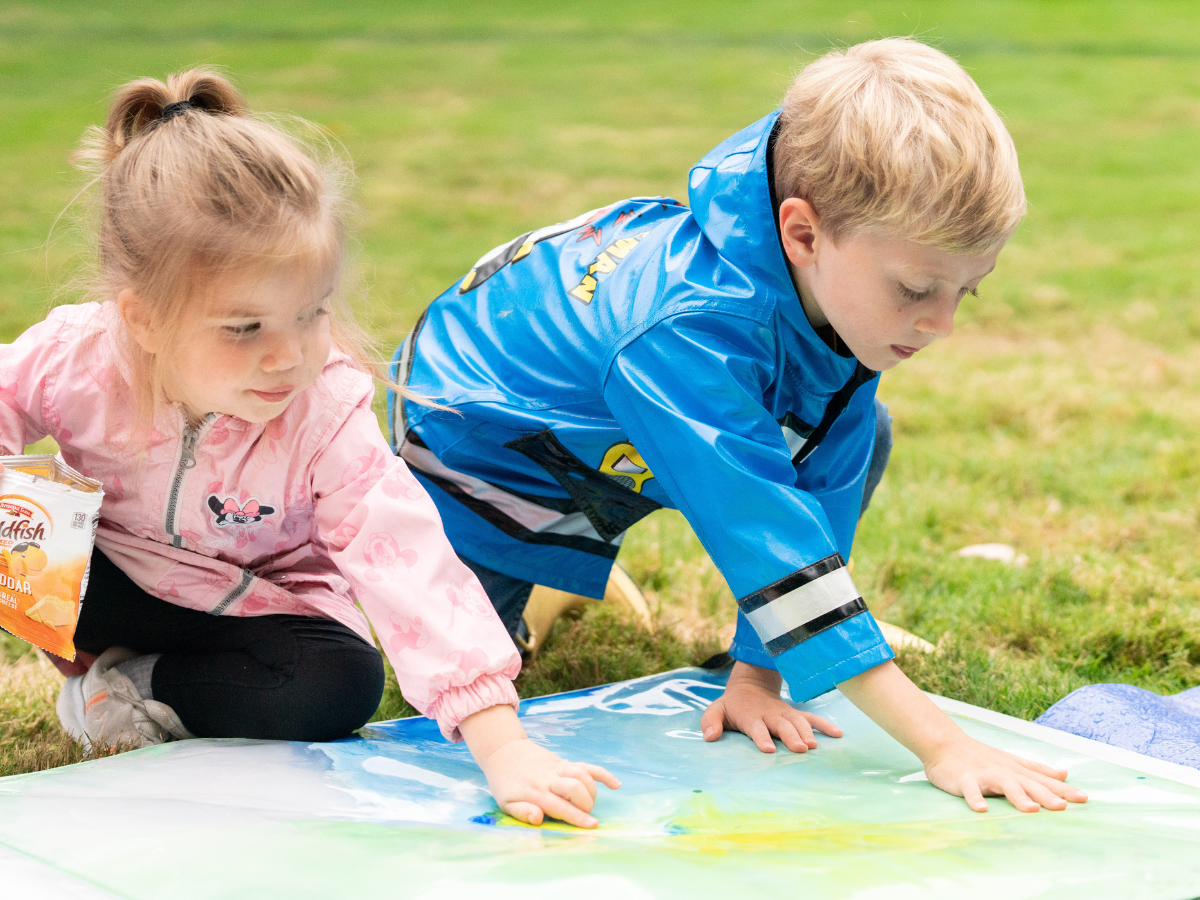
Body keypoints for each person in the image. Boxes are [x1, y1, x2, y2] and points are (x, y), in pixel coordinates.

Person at [388, 39, 1087, 813]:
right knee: (467, 664)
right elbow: (760, 531)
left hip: (615, 443)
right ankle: (549, 568)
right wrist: (944, 744)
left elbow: (820, 487)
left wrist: (756, 676)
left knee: (866, 431)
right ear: (804, 234)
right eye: (919, 288)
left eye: (970, 292)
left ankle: (570, 559)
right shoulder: (690, 331)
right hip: (484, 442)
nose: (942, 324)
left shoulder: (846, 297)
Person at [0, 70, 618, 829]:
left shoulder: (323, 413)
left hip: (249, 615)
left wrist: (501, 743)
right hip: (104, 582)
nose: (288, 355)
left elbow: (407, 561)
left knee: (341, 684)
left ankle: (133, 689)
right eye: (244, 328)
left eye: (311, 313)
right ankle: (104, 656)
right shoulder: (76, 357)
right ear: (145, 319)